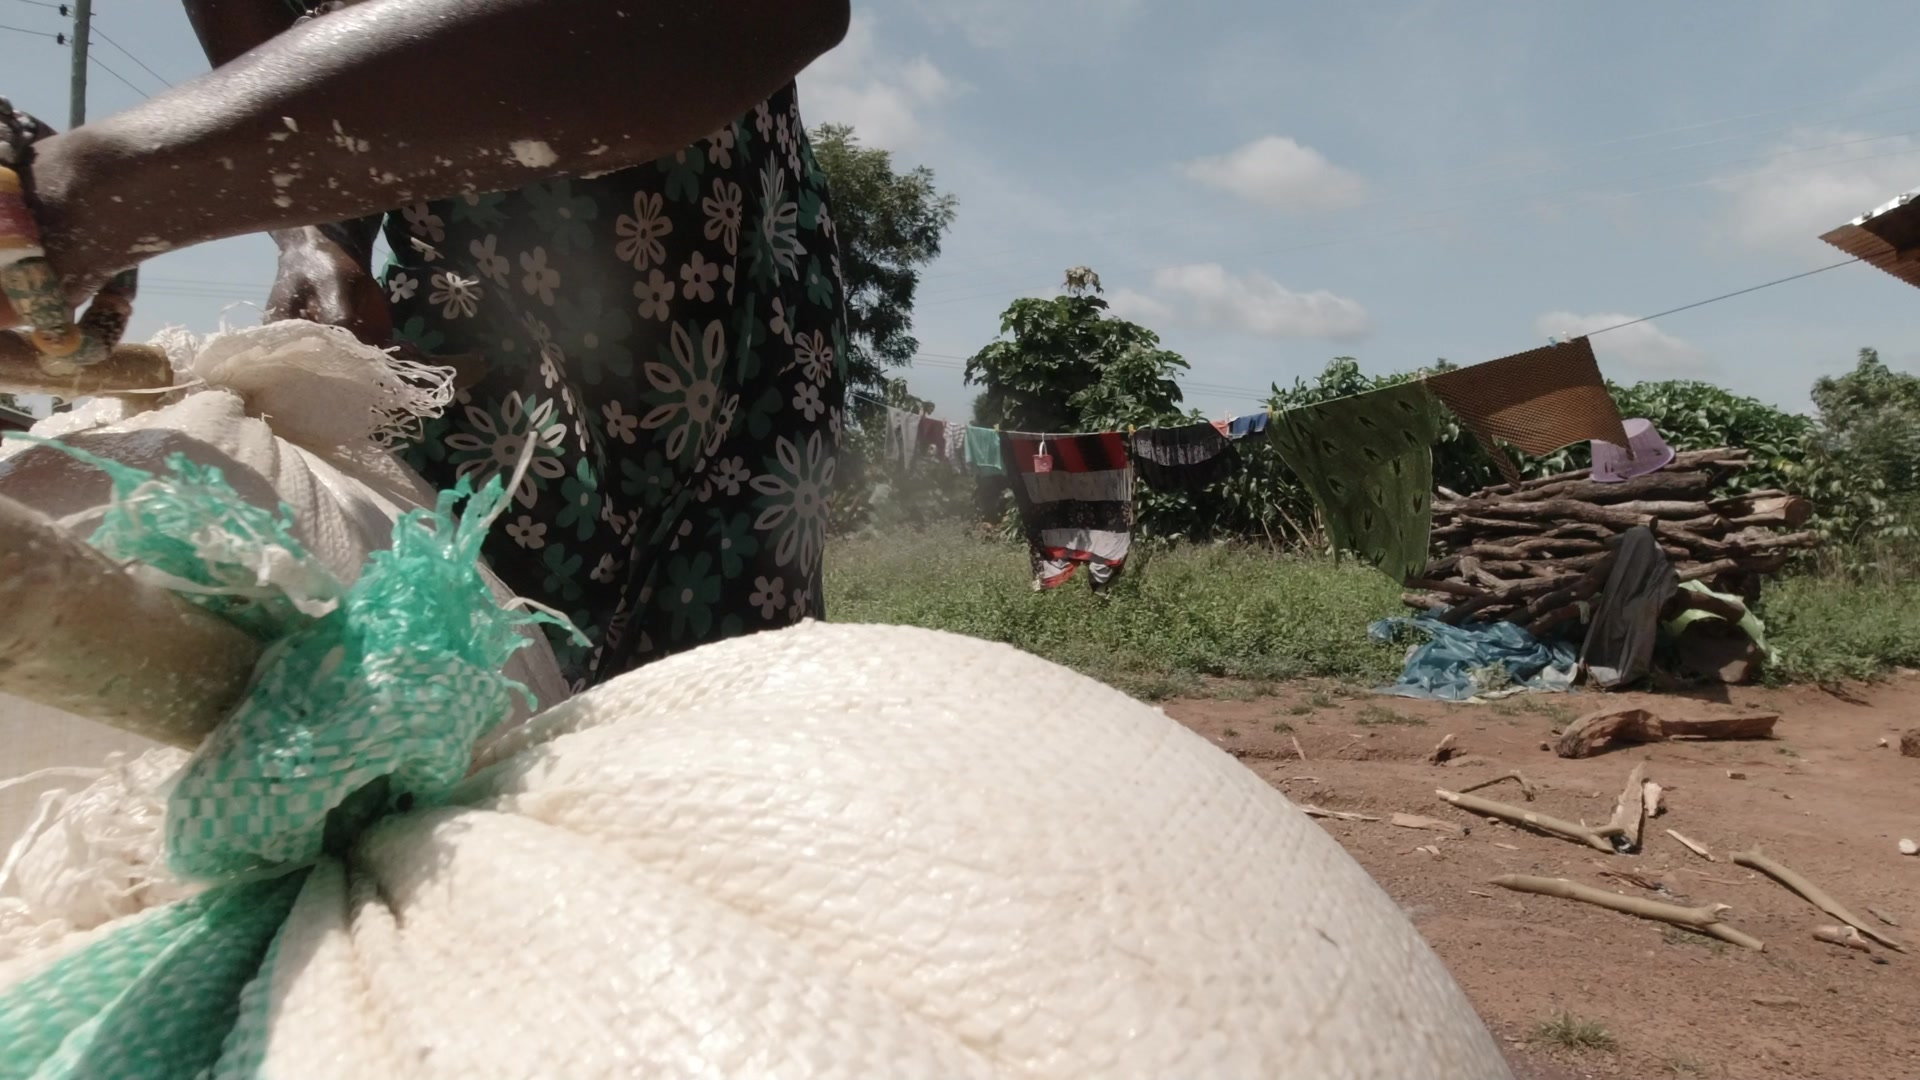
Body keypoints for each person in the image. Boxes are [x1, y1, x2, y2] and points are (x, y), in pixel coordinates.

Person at [0, 0, 851, 692]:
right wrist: (313, 228)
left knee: (717, 707)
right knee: (452, 689)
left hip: (721, 260)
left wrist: (86, 195)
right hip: (453, 268)